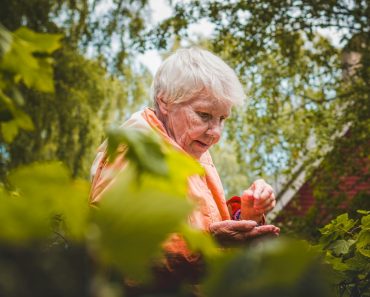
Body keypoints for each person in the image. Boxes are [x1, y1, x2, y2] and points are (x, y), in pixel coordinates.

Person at [90, 47, 279, 292]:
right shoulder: (134, 152)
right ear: (165, 101)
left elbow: (203, 223)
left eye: (222, 119)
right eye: (204, 115)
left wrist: (246, 217)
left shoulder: (189, 147)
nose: (216, 133)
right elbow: (114, 254)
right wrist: (204, 245)